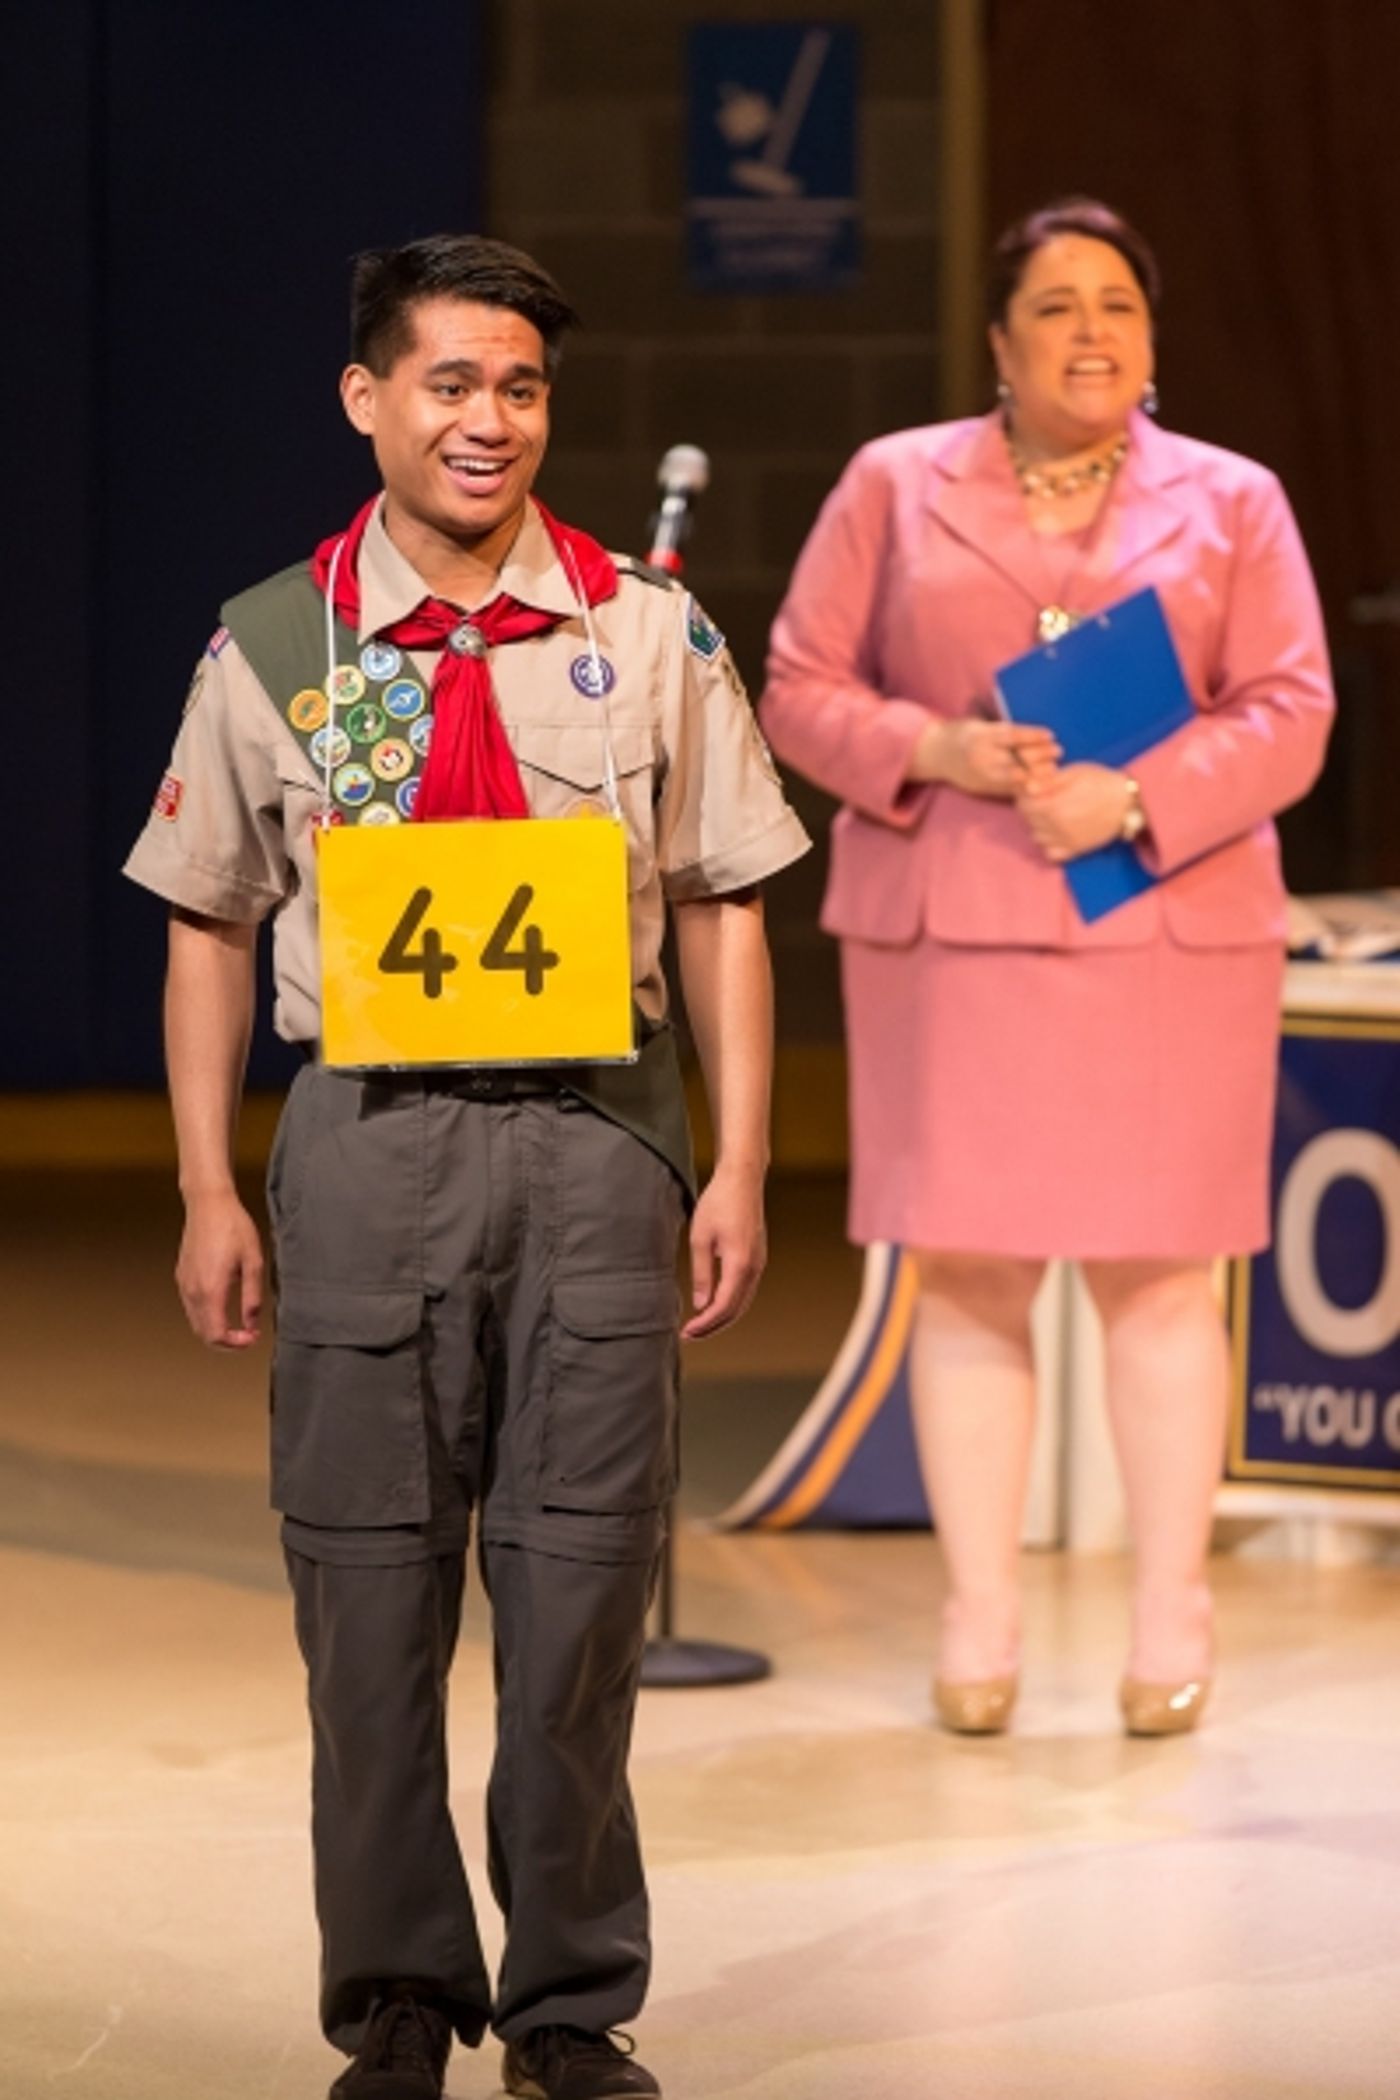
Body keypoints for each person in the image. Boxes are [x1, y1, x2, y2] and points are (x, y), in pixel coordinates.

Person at [125, 234, 809, 2100]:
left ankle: (572, 2008)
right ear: (368, 400)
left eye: (518, 387)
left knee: (585, 1601)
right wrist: (206, 1184)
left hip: (600, 1153)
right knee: (365, 1606)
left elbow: (727, 902)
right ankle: (403, 2000)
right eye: (449, 383)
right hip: (368, 1155)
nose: (488, 420)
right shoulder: (276, 641)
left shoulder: (649, 632)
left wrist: (737, 1166)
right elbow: (205, 915)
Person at [759, 197, 1334, 1739]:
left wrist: (1138, 794)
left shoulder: (1235, 500)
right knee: (971, 1277)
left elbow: (1292, 709)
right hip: (955, 926)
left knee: (1159, 1285)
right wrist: (932, 745)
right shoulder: (893, 483)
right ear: (1000, 345)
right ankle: (981, 1617)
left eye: (1121, 308)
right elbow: (799, 688)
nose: (1094, 331)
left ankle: (1169, 1618)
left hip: (1162, 927)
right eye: (1060, 307)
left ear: (1153, 345)